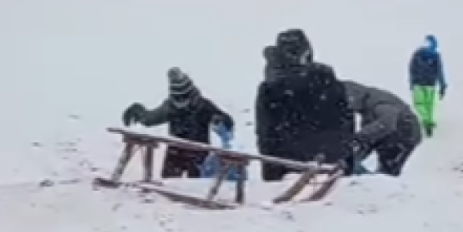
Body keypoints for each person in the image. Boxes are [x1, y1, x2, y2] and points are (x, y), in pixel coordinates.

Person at [254, 29, 354, 181]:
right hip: (327, 162)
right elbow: (346, 121)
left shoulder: (271, 86)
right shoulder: (326, 79)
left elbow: (265, 132)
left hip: (287, 164)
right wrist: (346, 157)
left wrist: (270, 171)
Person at [122, 68, 234, 178]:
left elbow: (228, 121)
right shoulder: (170, 107)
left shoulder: (203, 106)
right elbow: (150, 119)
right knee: (167, 186)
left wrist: (220, 119)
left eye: (183, 98)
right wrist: (138, 111)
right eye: (177, 98)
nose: (180, 103)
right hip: (174, 154)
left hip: (198, 155)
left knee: (196, 189)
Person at [340, 80, 422, 177]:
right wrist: (352, 157)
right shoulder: (367, 108)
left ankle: (384, 184)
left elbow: (387, 123)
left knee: (388, 168)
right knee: (386, 167)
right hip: (396, 135)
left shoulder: (377, 102)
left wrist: (359, 137)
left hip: (404, 134)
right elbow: (369, 138)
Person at [408, 35, 447, 136]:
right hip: (429, 84)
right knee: (428, 105)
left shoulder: (418, 55)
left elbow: (412, 69)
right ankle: (428, 121)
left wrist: (412, 83)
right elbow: (440, 72)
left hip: (421, 83)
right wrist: (442, 86)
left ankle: (427, 121)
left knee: (420, 104)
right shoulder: (435, 56)